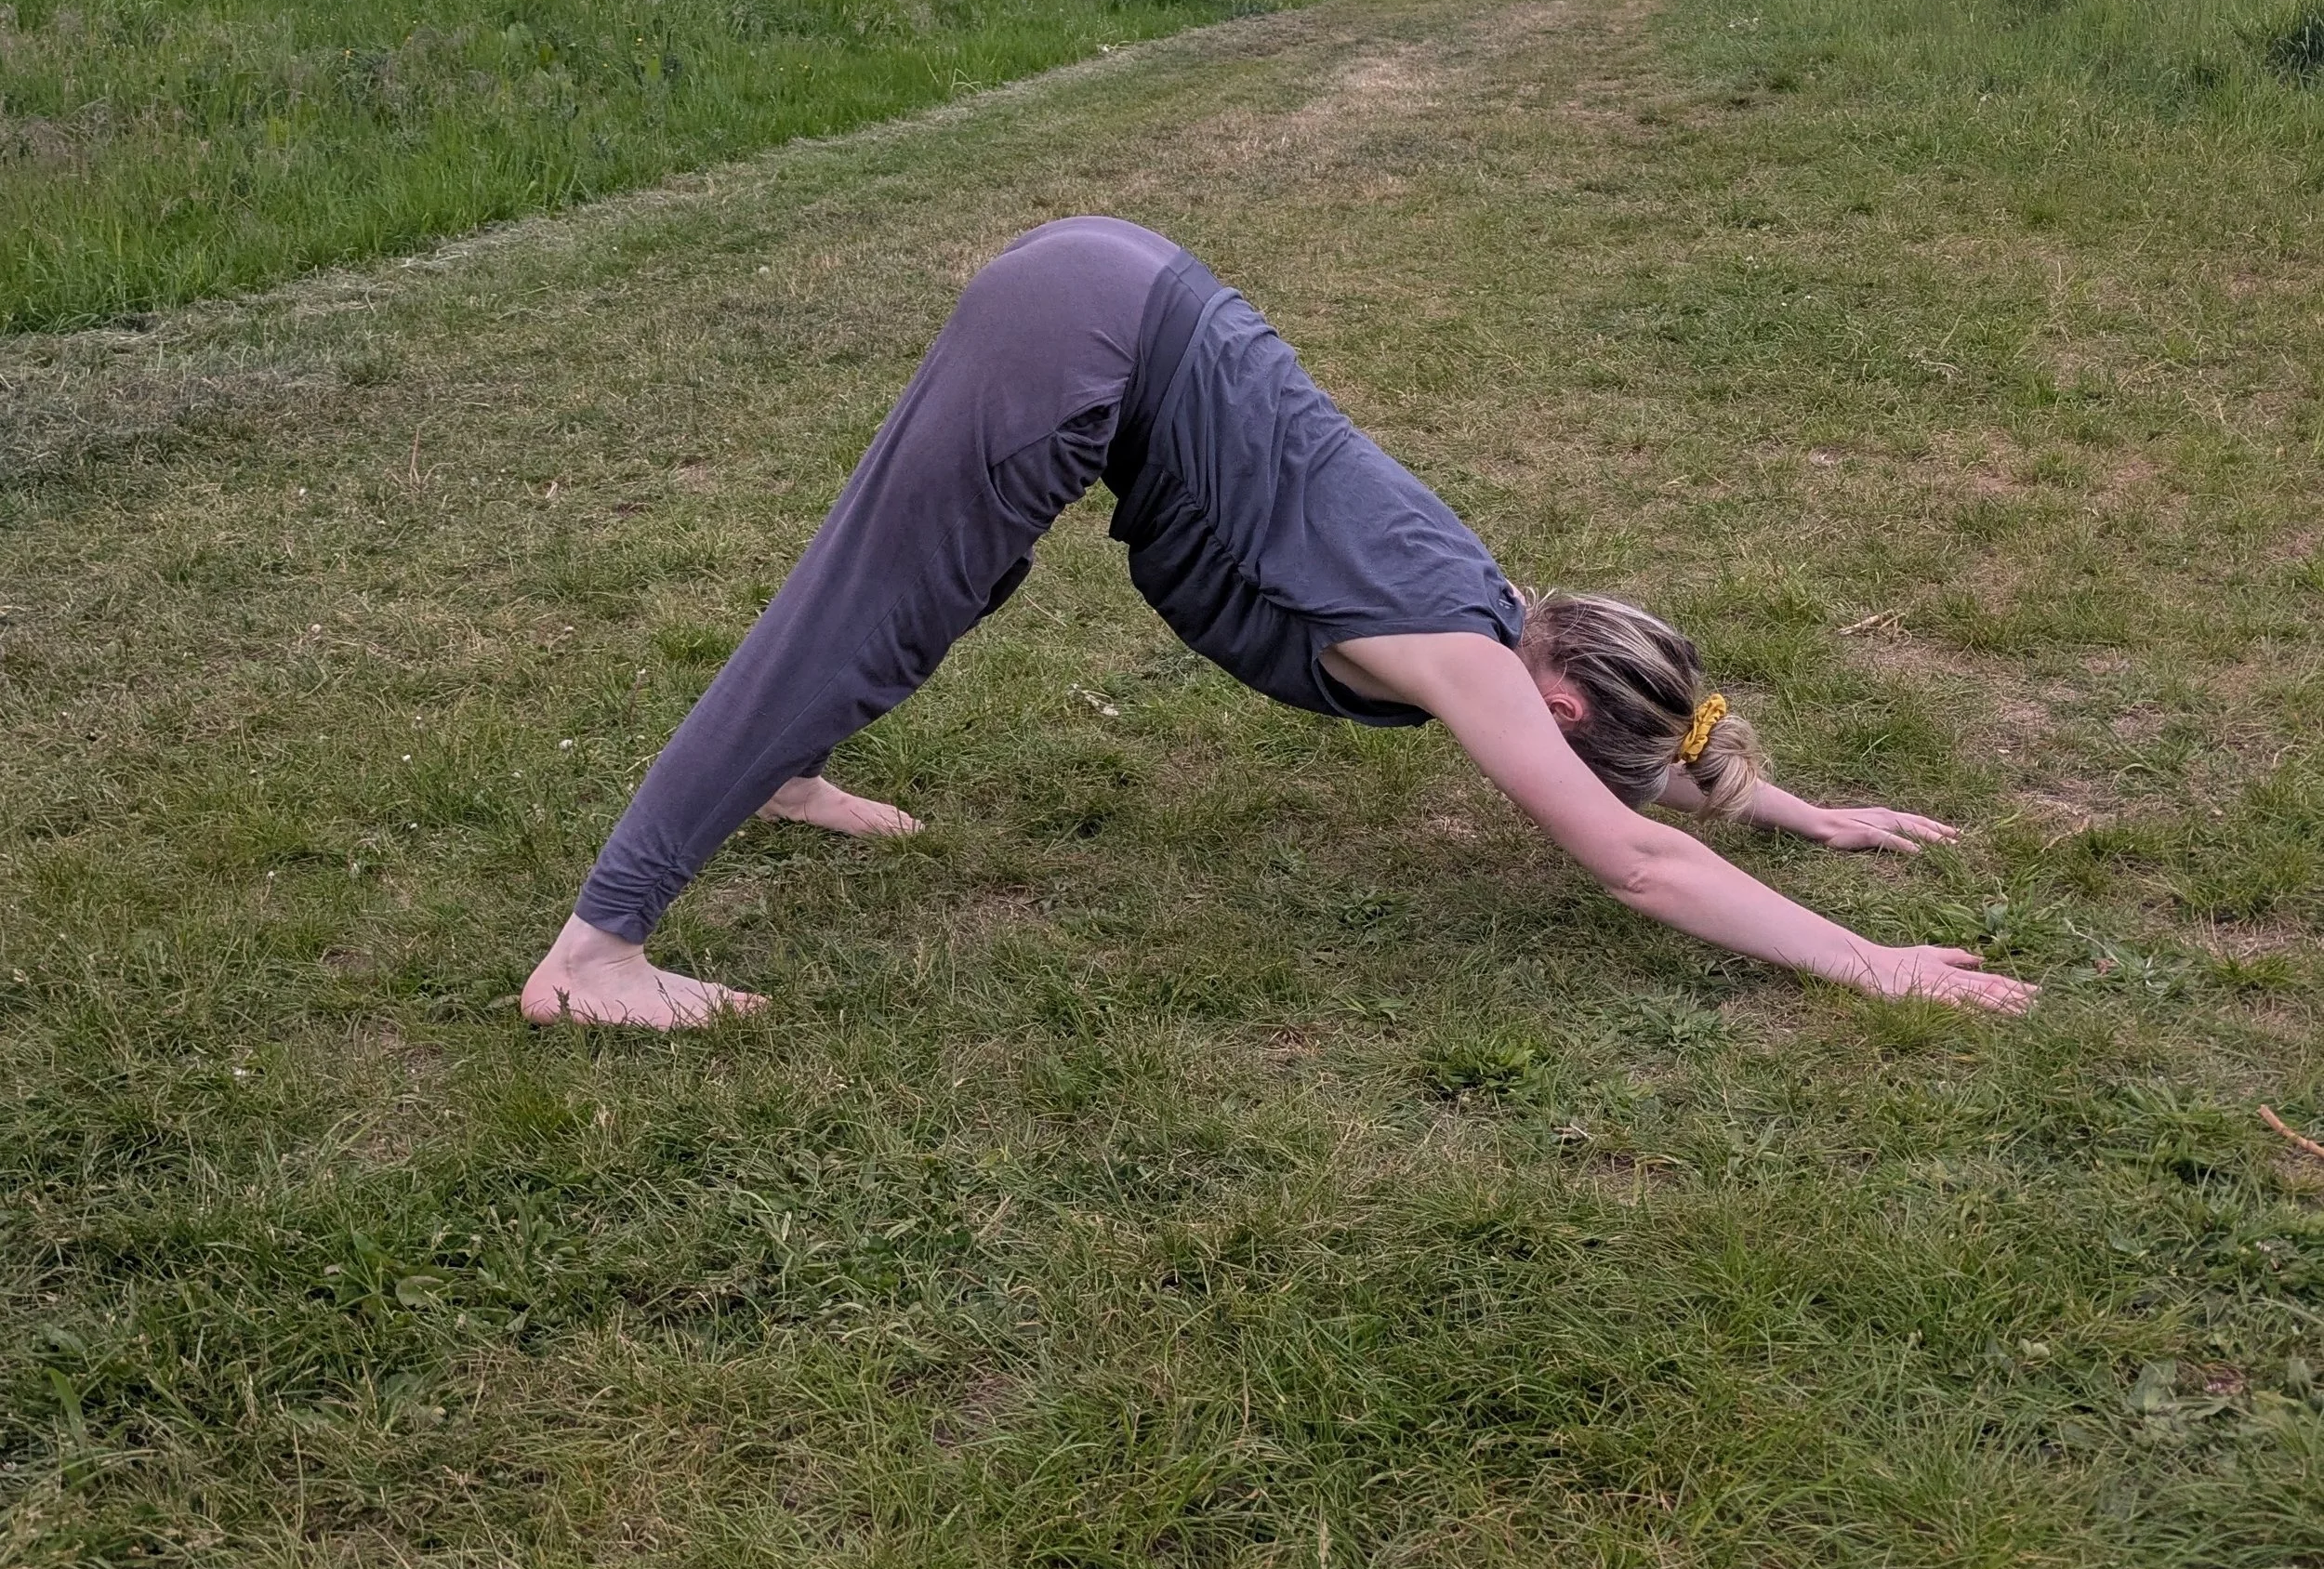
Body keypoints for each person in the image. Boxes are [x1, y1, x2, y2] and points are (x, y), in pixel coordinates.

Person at [522, 218, 2035, 1028]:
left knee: (944, 589)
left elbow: (1666, 758)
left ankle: (788, 769)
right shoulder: (1456, 649)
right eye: (1588, 754)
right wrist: (1868, 959)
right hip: (1088, 338)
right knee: (852, 616)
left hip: (1112, 287)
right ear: (1564, 709)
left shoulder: (1510, 606)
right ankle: (598, 949)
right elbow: (1636, 857)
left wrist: (1805, 810)